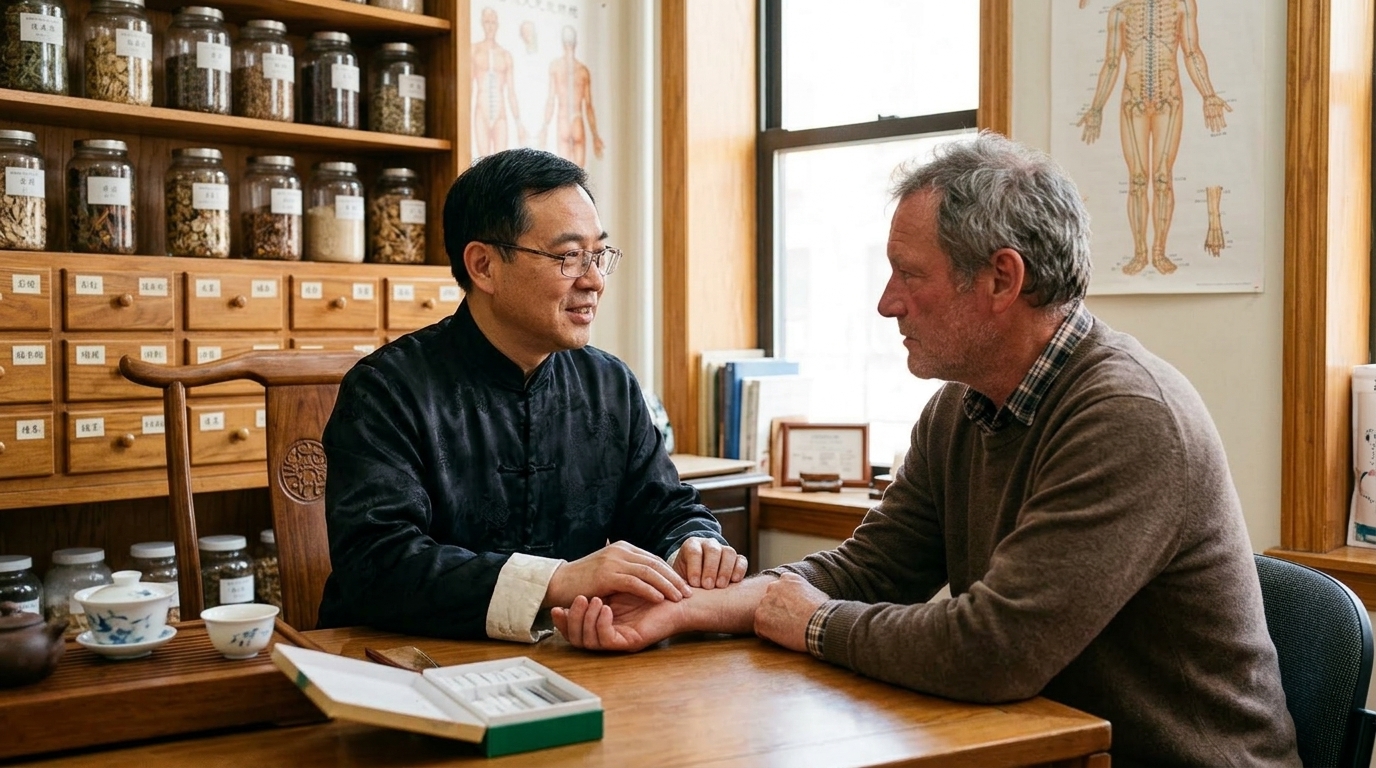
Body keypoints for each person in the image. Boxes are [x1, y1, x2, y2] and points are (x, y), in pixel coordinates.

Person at [552, 133, 1301, 766]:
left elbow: (994, 649)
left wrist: (810, 623)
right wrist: (685, 609)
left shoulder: (1129, 417)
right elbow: (871, 568)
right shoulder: (962, 406)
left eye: (910, 275)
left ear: (1002, 279)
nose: (887, 302)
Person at [318, 148, 746, 642]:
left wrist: (693, 542)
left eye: (598, 254)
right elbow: (380, 565)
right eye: (568, 257)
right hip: (402, 665)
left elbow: (664, 506)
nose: (594, 280)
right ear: (483, 266)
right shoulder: (387, 389)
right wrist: (558, 581)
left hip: (567, 656)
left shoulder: (609, 384)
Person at [1076, 0, 1231, 276]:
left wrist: (1208, 95)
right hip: (1132, 101)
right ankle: (1139, 252)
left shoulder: (1182, 5)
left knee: (1162, 177)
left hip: (1168, 99)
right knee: (1137, 179)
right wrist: (1096, 107)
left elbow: (1192, 52)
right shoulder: (1120, 12)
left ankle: (1159, 252)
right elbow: (1111, 63)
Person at [538, 25, 603, 167]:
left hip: (563, 120)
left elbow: (551, 100)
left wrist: (544, 127)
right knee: (578, 177)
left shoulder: (555, 67)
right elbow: (589, 106)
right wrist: (595, 135)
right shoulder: (583, 71)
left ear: (562, 43)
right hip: (577, 119)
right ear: (576, 43)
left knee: (564, 176)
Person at [471, 7, 524, 156]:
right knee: (482, 167)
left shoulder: (505, 55)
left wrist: (519, 123)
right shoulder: (474, 50)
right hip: (481, 110)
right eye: (487, 22)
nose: (490, 26)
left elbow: (511, 92)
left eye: (493, 22)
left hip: (501, 114)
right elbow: (468, 87)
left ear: (497, 24)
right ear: (482, 23)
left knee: (502, 168)